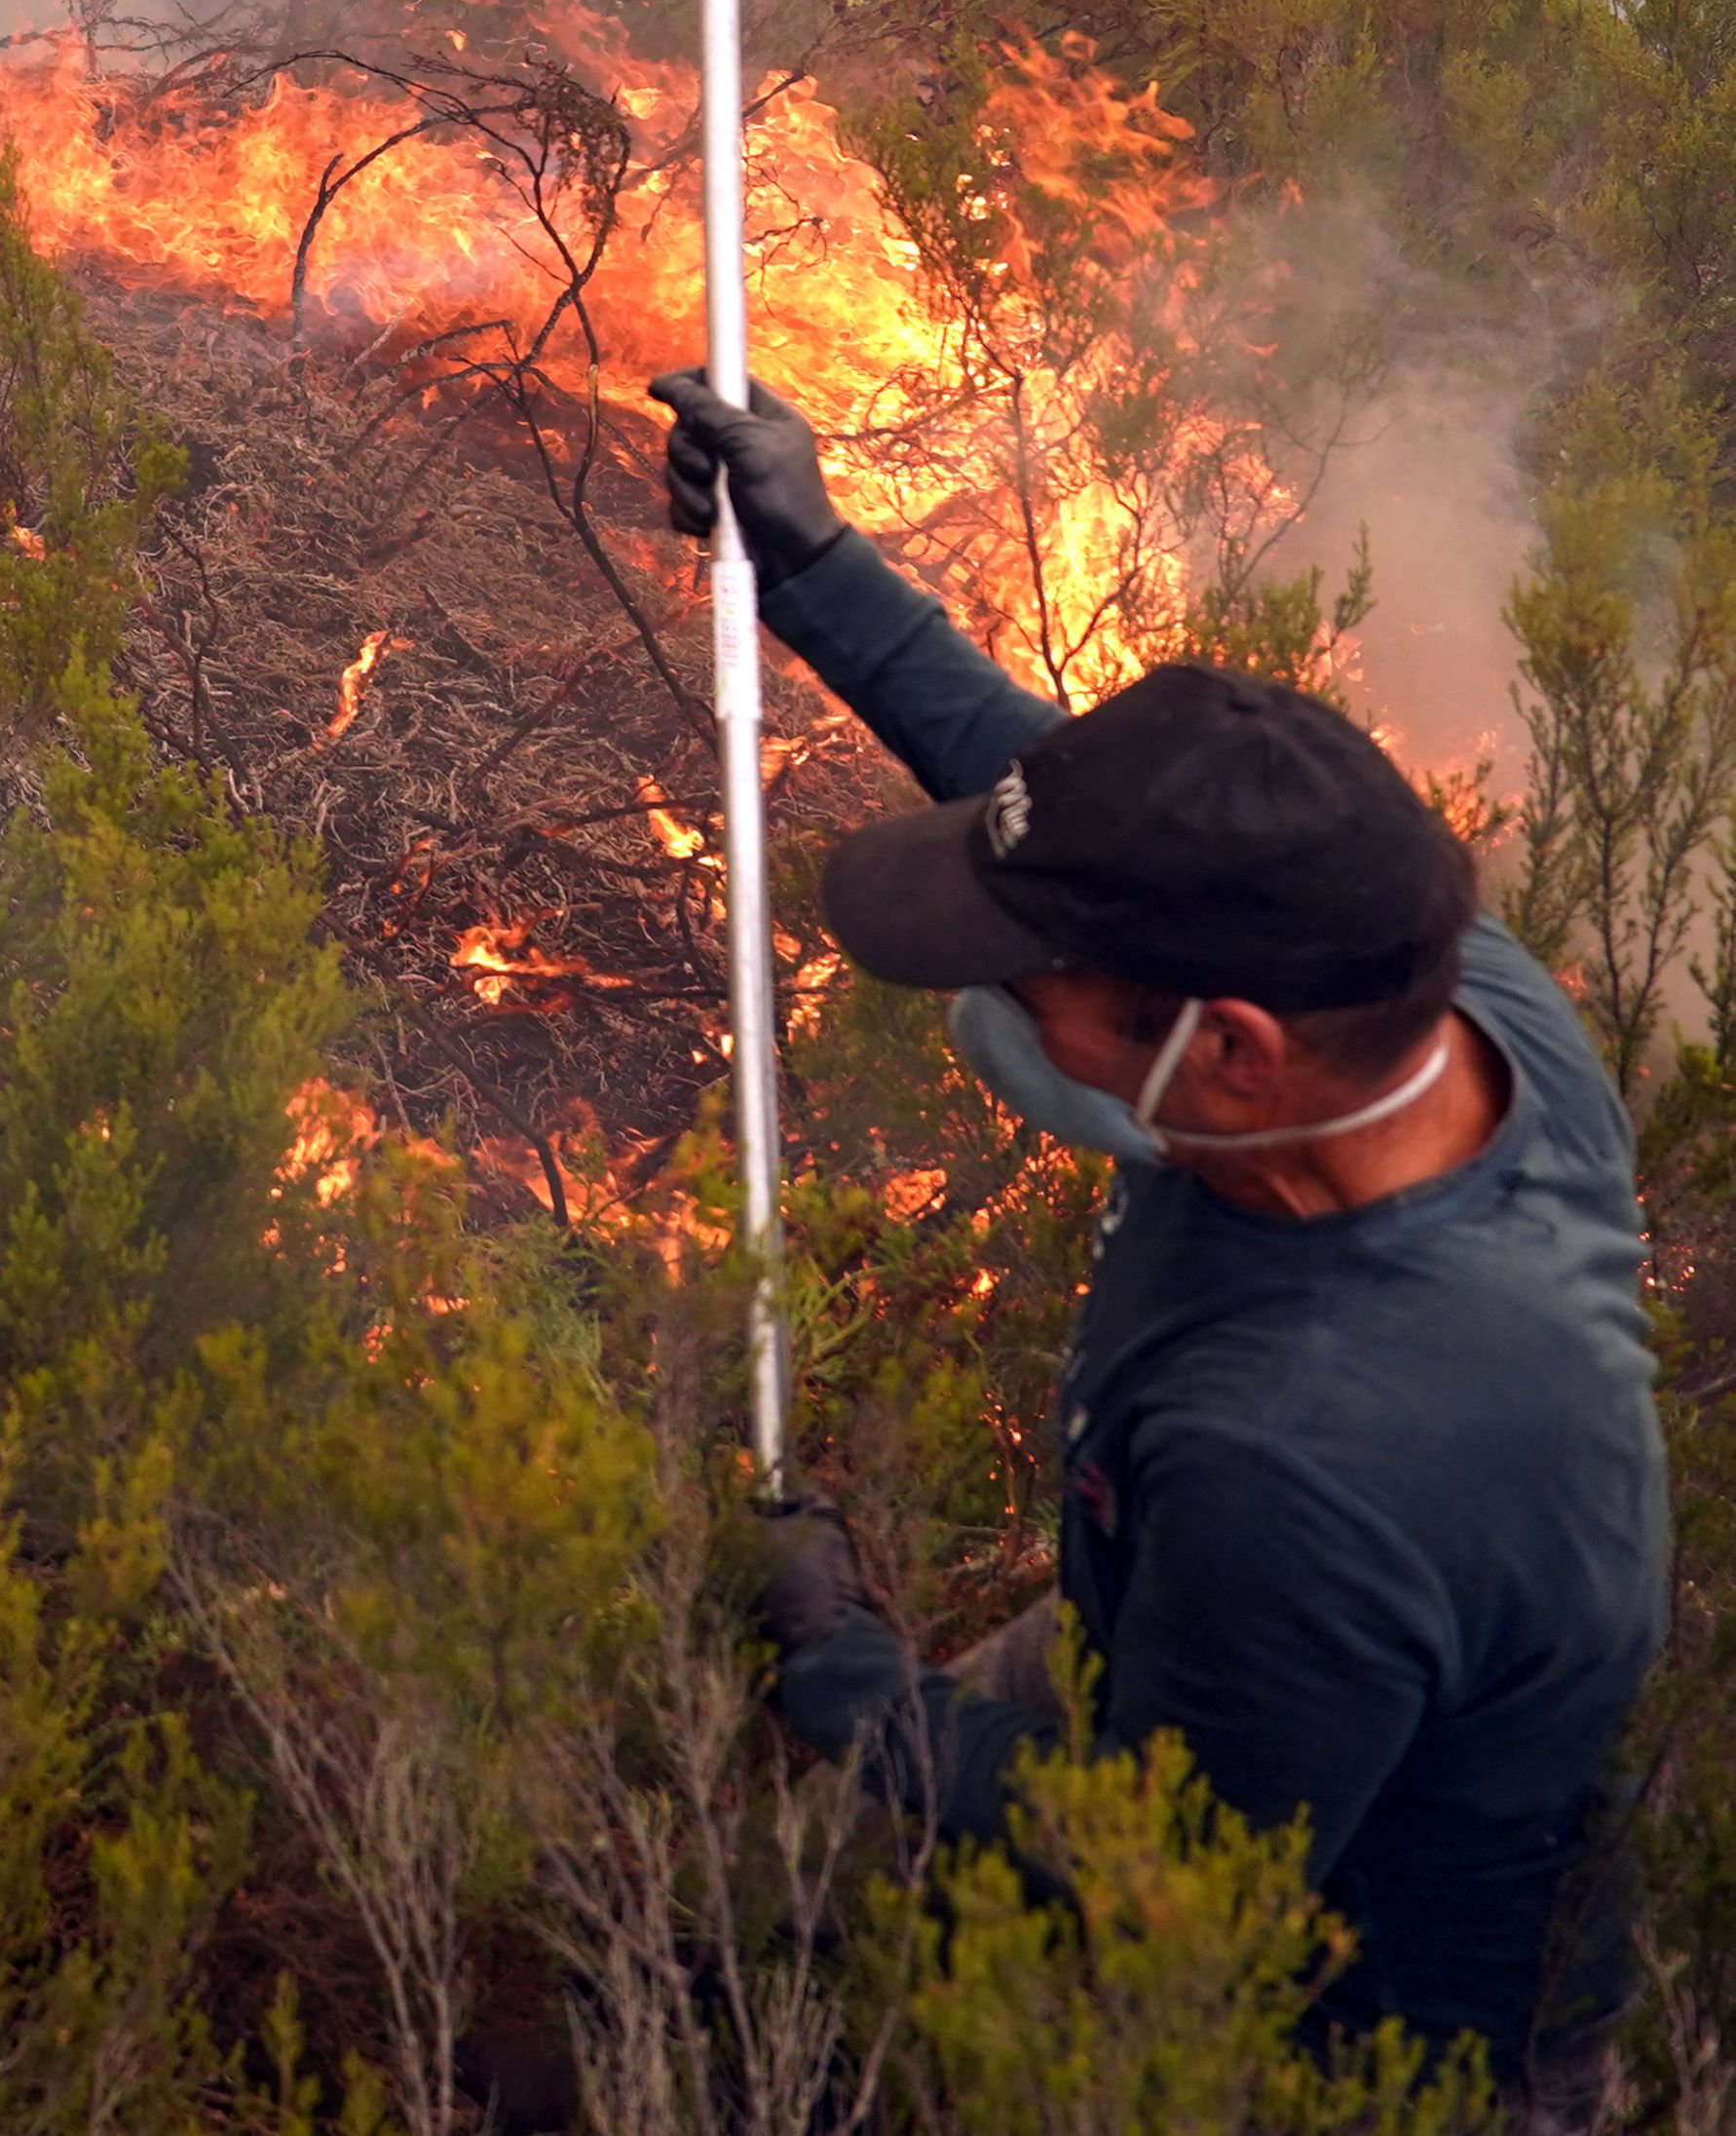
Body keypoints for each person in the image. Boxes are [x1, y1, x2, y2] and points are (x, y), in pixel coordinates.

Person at [657, 370, 1664, 2123]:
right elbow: (1095, 830)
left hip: (1327, 2027)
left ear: (1233, 1050)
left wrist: (837, 1667)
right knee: (770, 1932)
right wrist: (811, 561)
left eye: (1034, 979)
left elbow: (1148, 1870)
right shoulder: (1438, 999)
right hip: (1184, 1645)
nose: (996, 994)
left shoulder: (1307, 1459)